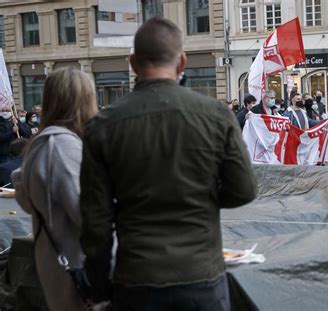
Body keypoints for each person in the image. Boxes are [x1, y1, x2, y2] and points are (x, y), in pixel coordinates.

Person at [79, 17, 256, 310]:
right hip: (201, 275)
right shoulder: (215, 115)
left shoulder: (102, 126)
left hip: (137, 277)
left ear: (133, 62)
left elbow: (95, 222)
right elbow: (244, 189)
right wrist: (201, 197)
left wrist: (98, 286)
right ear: (182, 62)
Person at [12, 68, 98, 311]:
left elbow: (25, 194)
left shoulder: (47, 144)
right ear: (85, 101)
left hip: (58, 263)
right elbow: (90, 216)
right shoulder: (61, 146)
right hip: (76, 266)